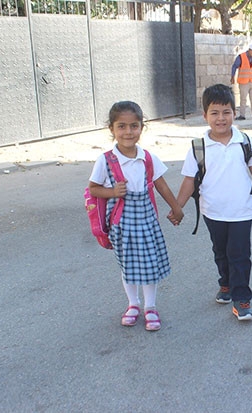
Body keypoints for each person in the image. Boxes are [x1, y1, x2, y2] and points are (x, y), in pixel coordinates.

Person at [175, 84, 252, 321]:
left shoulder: (244, 142)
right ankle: (225, 283)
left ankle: (241, 299)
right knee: (220, 252)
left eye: (226, 112)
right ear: (205, 115)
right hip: (212, 212)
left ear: (234, 113)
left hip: (241, 212)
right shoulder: (198, 147)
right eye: (214, 113)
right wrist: (177, 207)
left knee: (240, 255)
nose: (221, 118)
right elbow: (189, 181)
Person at [88, 101, 184, 331]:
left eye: (134, 126)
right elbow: (93, 189)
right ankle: (133, 304)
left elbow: (161, 185)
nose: (128, 132)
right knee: (128, 265)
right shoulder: (105, 160)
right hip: (121, 224)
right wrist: (112, 192)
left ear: (142, 127)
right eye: (121, 126)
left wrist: (176, 207)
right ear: (112, 129)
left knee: (149, 264)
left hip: (147, 222)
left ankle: (150, 306)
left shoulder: (148, 158)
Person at [230, 43, 252, 121]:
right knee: (243, 99)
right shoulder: (241, 57)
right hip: (243, 82)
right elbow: (234, 66)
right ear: (250, 50)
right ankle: (242, 115)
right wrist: (232, 76)